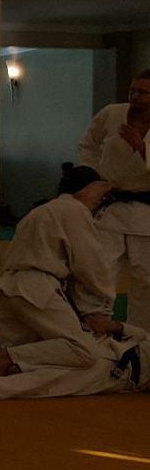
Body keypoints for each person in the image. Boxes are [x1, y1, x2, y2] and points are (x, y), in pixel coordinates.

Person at [0, 168, 146, 399]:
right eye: (100, 197)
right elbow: (90, 267)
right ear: (89, 189)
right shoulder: (75, 211)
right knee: (83, 350)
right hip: (37, 287)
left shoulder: (42, 210)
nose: (100, 203)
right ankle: (1, 358)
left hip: (10, 286)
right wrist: (102, 309)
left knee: (42, 356)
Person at [77, 69, 150, 329]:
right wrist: (94, 177)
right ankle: (92, 329)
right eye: (133, 90)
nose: (135, 96)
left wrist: (142, 148)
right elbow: (88, 145)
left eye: (143, 92)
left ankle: (141, 337)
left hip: (146, 212)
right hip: (111, 206)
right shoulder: (112, 113)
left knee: (146, 280)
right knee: (98, 271)